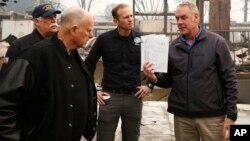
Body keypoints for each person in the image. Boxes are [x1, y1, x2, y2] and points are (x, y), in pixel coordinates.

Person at [143, 1, 238, 141]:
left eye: (183, 17)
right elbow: (169, 80)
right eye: (177, 18)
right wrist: (153, 78)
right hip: (183, 118)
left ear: (196, 17)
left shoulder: (216, 43)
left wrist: (231, 116)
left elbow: (230, 80)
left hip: (211, 117)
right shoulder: (172, 47)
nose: (179, 22)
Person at [0, 7, 97, 141]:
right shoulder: (33, 56)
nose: (91, 35)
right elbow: (5, 104)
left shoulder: (76, 58)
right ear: (74, 29)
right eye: (89, 30)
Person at [85, 3, 152, 141]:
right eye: (126, 17)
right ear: (115, 21)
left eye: (132, 16)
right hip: (110, 98)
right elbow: (87, 66)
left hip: (134, 98)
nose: (130, 19)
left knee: (132, 137)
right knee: (104, 137)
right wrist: (93, 91)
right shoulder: (104, 40)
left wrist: (149, 85)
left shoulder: (143, 40)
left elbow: (157, 65)